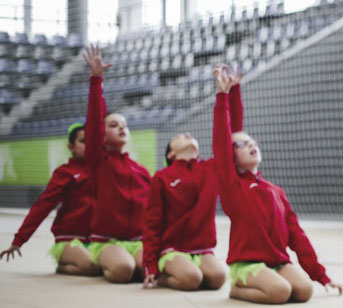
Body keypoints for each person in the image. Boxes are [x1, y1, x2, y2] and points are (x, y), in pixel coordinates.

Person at [212, 66, 342, 304]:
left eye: (252, 141)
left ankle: (276, 280)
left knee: (303, 291)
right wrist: (226, 95)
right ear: (230, 157)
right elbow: (223, 136)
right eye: (241, 145)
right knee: (279, 293)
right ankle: (238, 287)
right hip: (248, 263)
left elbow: (296, 235)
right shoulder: (232, 186)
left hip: (278, 261)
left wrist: (320, 275)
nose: (251, 145)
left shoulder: (275, 190)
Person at [140, 69, 243, 291]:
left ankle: (186, 270)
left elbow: (231, 134)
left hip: (202, 248)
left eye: (189, 135)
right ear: (170, 154)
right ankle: (162, 275)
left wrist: (229, 93)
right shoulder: (162, 177)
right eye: (179, 137)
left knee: (217, 279)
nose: (186, 135)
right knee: (191, 280)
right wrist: (150, 264)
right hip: (172, 249)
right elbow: (152, 222)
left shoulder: (211, 168)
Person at [82, 45, 151, 283]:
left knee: (152, 270)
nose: (121, 127)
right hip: (106, 240)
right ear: (101, 135)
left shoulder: (140, 171)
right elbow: (93, 123)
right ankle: (99, 262)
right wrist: (96, 81)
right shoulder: (98, 162)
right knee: (123, 271)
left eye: (124, 125)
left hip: (138, 241)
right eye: (113, 125)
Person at [0, 123, 95, 275]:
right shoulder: (64, 173)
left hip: (97, 239)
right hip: (69, 238)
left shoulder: (104, 170)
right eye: (83, 141)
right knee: (91, 266)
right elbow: (42, 207)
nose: (89, 145)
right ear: (71, 147)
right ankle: (63, 264)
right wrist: (19, 241)